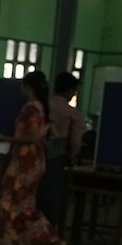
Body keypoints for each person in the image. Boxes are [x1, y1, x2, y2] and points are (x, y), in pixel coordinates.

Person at [0, 70, 67, 245]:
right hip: (35, 161)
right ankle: (52, 239)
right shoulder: (41, 107)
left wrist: (4, 138)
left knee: (7, 202)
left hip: (24, 162)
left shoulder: (30, 109)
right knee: (25, 206)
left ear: (28, 88)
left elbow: (31, 137)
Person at [38, 70, 85, 232]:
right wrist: (73, 157)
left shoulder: (42, 106)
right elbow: (76, 140)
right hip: (57, 158)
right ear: (69, 91)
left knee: (37, 194)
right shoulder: (72, 113)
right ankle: (49, 235)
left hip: (36, 154)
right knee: (54, 196)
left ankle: (33, 232)